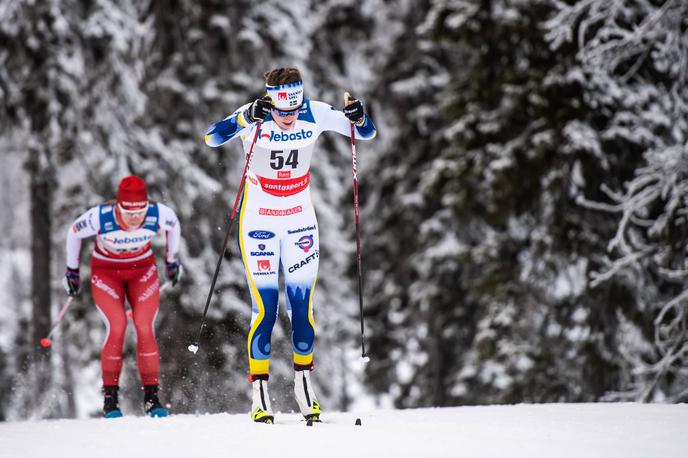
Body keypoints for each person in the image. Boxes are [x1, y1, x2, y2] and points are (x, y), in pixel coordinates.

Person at [204, 67, 376, 423]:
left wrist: (360, 117)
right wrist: (243, 118)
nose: (288, 118)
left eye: (293, 110)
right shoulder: (256, 115)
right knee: (265, 309)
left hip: (299, 222)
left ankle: (303, 385)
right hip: (259, 223)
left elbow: (368, 133)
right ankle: (260, 393)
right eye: (282, 111)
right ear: (271, 101)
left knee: (302, 309)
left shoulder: (314, 113)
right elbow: (211, 138)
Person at [63, 175, 183, 418]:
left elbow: (174, 225)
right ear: (119, 207)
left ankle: (151, 399)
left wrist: (172, 260)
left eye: (140, 212)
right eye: (129, 213)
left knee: (144, 326)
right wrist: (72, 271)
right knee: (116, 326)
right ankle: (111, 400)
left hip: (143, 271)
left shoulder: (158, 213)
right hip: (107, 273)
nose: (135, 218)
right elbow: (74, 232)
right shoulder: (101, 217)